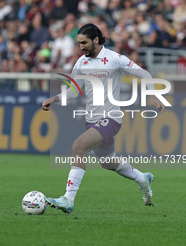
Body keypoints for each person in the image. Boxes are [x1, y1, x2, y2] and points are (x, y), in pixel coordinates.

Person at [42, 24, 165, 214]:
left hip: (111, 118)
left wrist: (152, 95)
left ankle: (68, 199)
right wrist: (55, 99)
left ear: (96, 40)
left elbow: (144, 73)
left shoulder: (114, 58)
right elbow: (74, 90)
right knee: (107, 162)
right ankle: (143, 179)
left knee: (78, 147)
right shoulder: (81, 63)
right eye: (78, 43)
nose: (81, 47)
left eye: (84, 42)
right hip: (92, 119)